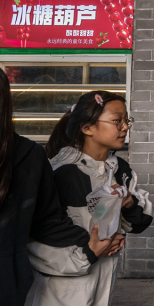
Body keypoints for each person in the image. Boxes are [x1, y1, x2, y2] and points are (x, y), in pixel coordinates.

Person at [0, 71, 121, 306]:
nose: (124, 128)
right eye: (117, 120)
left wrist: (96, 242)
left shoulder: (28, 157)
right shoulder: (60, 168)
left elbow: (47, 222)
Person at [25, 91, 153, 306]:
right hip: (60, 289)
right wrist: (89, 253)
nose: (125, 127)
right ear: (87, 128)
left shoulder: (120, 170)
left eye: (126, 120)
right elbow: (35, 237)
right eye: (116, 121)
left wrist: (129, 204)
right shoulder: (59, 173)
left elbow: (137, 223)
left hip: (103, 280)